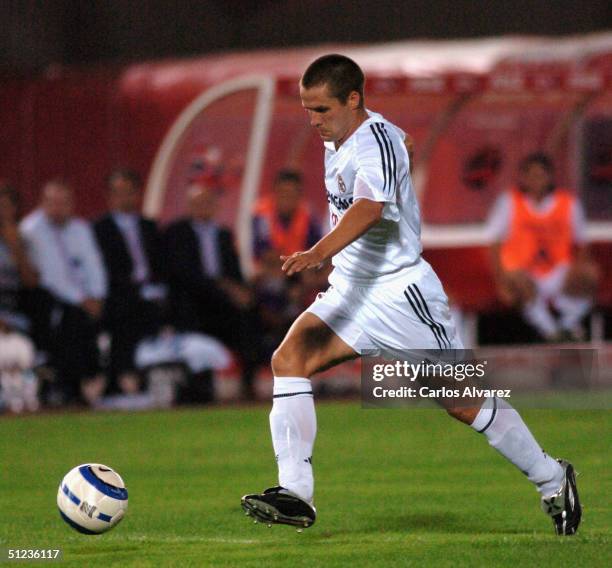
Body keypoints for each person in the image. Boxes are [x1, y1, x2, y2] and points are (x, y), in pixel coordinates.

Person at [241, 55, 581, 536]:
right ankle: (295, 493)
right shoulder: (347, 136)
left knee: (462, 401)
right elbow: (394, 153)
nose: (312, 120)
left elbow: (371, 209)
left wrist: (318, 251)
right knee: (289, 358)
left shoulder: (372, 140)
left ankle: (551, 477)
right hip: (353, 290)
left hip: (403, 295)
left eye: (321, 109)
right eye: (307, 109)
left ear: (353, 99)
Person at [164, 182, 263, 400]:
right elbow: (183, 274)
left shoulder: (223, 235)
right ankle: (199, 389)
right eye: (197, 203)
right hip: (193, 302)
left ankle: (249, 383)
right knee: (191, 312)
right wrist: (224, 287)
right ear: (188, 206)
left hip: (223, 304)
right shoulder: (177, 233)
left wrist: (243, 292)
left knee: (249, 314)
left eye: (207, 202)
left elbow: (235, 273)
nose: (203, 207)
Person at [488, 153, 599, 342]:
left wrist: (581, 270)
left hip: (558, 269)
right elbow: (494, 243)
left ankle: (567, 325)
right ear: (523, 178)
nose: (536, 180)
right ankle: (551, 331)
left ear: (550, 177)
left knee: (589, 274)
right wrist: (500, 281)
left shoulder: (569, 203)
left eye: (541, 175)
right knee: (518, 279)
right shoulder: (509, 202)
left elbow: (582, 245)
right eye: (531, 175)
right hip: (523, 272)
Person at [20, 180, 107, 405]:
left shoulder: (80, 228)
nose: (58, 209)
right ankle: (70, 385)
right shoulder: (31, 230)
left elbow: (93, 265)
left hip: (87, 299)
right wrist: (82, 300)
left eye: (63, 203)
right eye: (53, 203)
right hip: (50, 299)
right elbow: (51, 275)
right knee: (71, 319)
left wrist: (97, 296)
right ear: (43, 203)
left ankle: (108, 382)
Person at [94, 169, 167, 394]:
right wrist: (137, 290)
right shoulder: (99, 229)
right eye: (118, 192)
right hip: (120, 294)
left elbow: (161, 265)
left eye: (128, 192)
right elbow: (104, 270)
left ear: (137, 194)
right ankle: (122, 380)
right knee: (126, 312)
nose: (124, 197)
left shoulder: (149, 227)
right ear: (110, 196)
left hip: (152, 293)